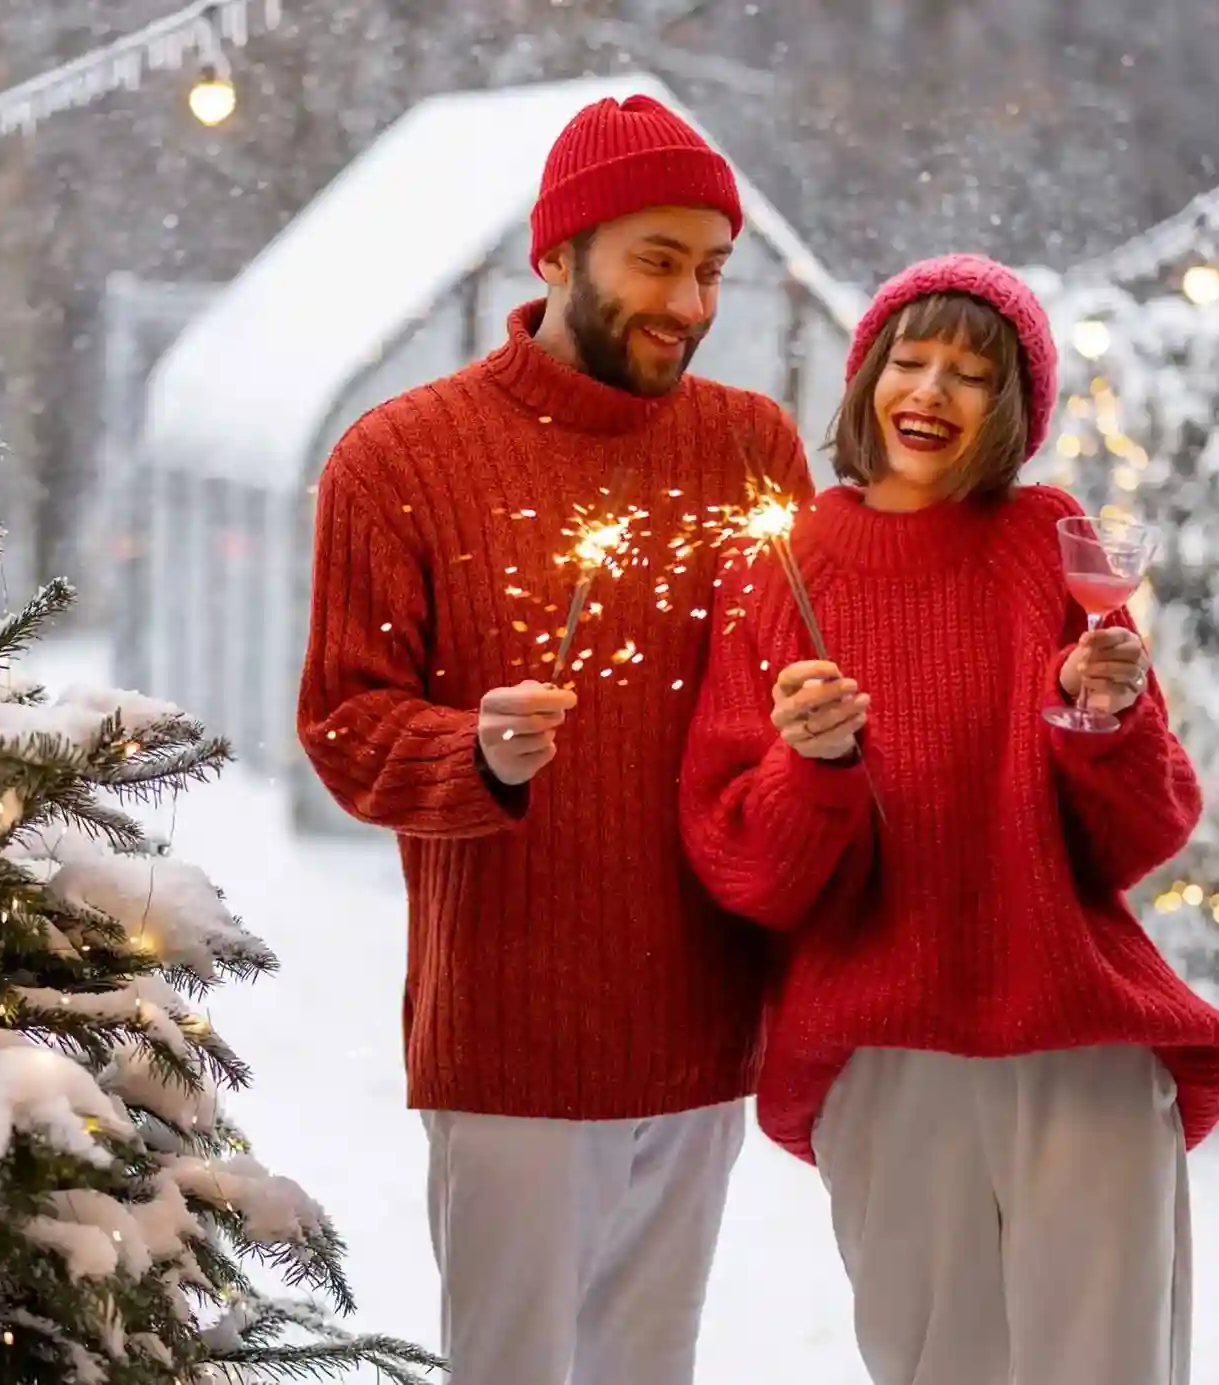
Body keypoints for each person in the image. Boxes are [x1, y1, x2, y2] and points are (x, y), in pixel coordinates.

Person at [296, 94, 812, 1385]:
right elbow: (348, 724)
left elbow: (793, 683)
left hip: (702, 1014)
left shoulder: (752, 446)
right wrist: (472, 752)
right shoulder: (399, 456)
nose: (691, 303)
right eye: (656, 261)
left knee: (652, 1364)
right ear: (557, 255)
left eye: (710, 269)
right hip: (517, 1028)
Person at [678, 253, 1219, 1385]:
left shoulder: (1050, 541)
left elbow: (1144, 830)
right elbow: (747, 864)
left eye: (971, 374)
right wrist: (818, 767)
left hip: (1077, 1033)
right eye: (911, 359)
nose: (931, 392)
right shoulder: (779, 567)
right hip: (886, 1043)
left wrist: (1105, 721)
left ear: (1013, 410)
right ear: (868, 377)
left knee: (1105, 1365)